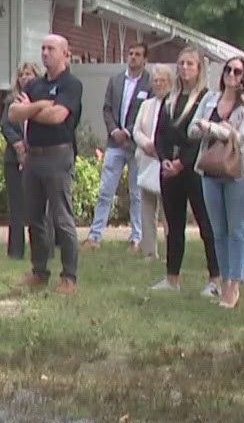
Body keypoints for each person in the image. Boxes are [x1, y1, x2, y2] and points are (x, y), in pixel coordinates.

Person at [7, 34, 85, 295]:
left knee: (62, 217)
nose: (45, 53)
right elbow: (13, 113)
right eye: (42, 48)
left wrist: (33, 110)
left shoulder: (71, 85)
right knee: (34, 216)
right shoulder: (36, 86)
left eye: (51, 48)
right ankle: (39, 271)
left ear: (66, 54)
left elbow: (57, 116)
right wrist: (40, 105)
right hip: (33, 156)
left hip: (58, 155)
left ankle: (69, 276)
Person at [150, 48, 219, 295]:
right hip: (169, 171)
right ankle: (172, 278)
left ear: (199, 68)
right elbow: (160, 134)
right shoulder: (170, 99)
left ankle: (215, 279)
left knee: (205, 224)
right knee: (173, 225)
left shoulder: (207, 99)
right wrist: (165, 160)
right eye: (181, 63)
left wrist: (182, 163)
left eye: (190, 64)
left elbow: (202, 139)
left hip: (195, 169)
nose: (185, 68)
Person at [193, 53, 244, 305]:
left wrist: (212, 128)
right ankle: (221, 280)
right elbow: (192, 128)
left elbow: (243, 137)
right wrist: (214, 129)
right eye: (228, 70)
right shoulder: (210, 99)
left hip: (240, 170)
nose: (231, 75)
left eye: (237, 72)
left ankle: (235, 283)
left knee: (236, 228)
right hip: (210, 168)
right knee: (217, 229)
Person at [87, 42, 151, 251]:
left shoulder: (149, 83)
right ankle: (95, 236)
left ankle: (136, 238)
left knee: (136, 194)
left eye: (138, 55)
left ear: (145, 59)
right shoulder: (115, 81)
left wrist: (129, 132)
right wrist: (114, 130)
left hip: (136, 145)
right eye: (131, 53)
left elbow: (148, 113)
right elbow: (106, 108)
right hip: (114, 143)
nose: (133, 58)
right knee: (106, 190)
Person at [130, 62, 172, 262]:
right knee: (147, 210)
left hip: (166, 163)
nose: (158, 84)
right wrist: (147, 144)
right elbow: (136, 130)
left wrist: (161, 149)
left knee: (169, 211)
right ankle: (149, 252)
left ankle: (171, 251)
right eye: (155, 81)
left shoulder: (173, 104)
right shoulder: (147, 105)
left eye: (162, 80)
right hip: (147, 162)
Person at [0, 62, 39, 261]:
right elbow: (5, 125)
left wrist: (29, 145)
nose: (25, 78)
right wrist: (18, 145)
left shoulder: (42, 100)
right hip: (13, 160)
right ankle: (15, 251)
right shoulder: (10, 101)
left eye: (29, 74)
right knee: (16, 207)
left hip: (37, 156)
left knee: (37, 207)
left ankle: (41, 249)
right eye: (22, 75)